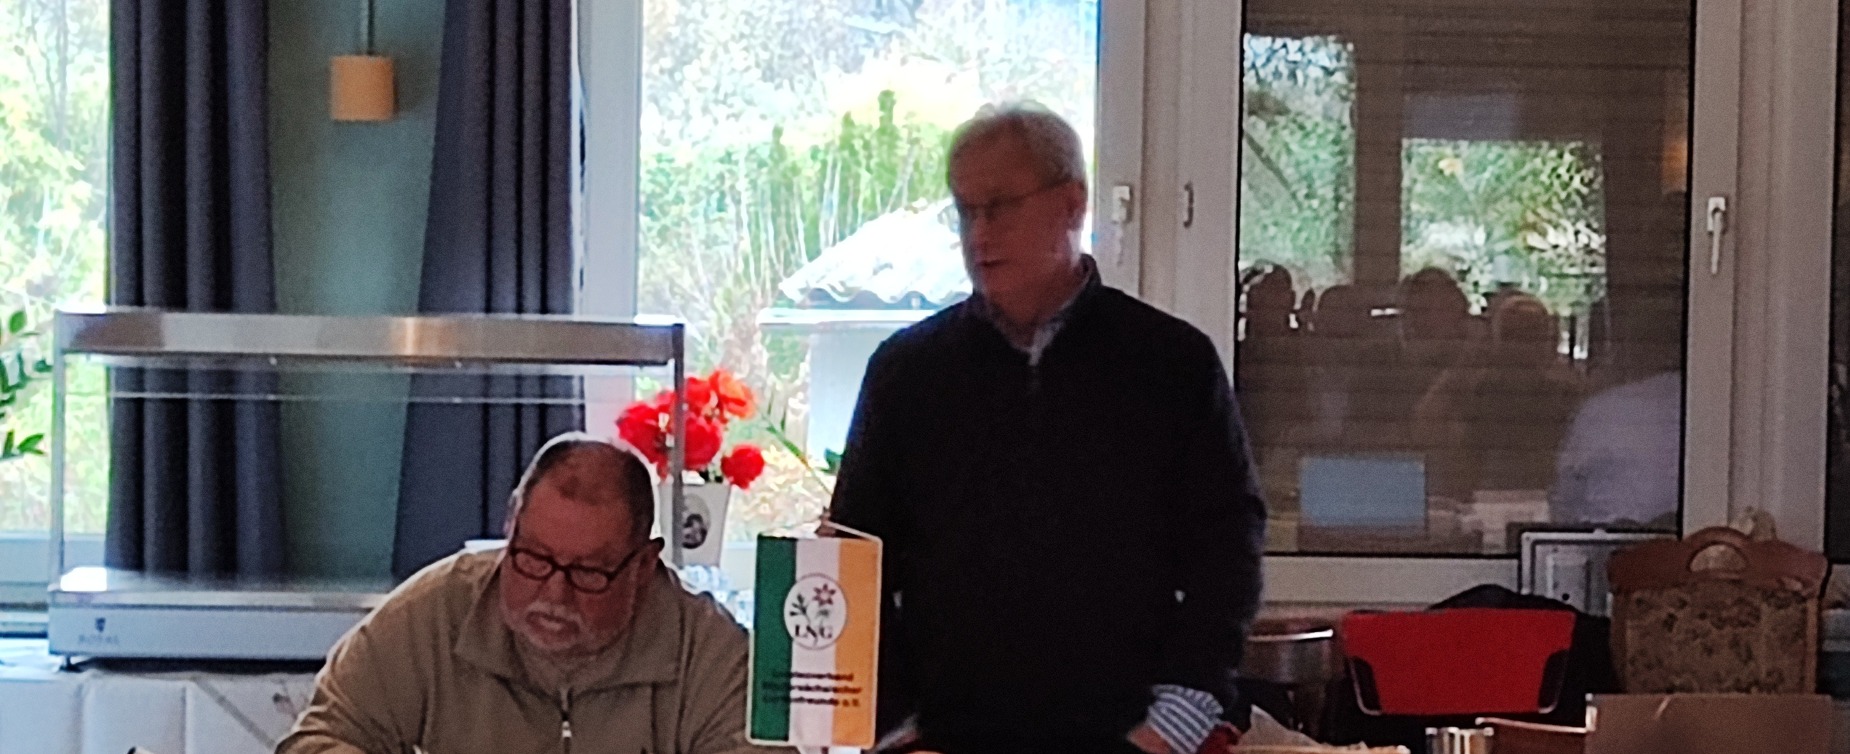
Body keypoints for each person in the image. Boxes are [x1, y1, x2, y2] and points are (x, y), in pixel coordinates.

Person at [827, 102, 1267, 754]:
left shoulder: (1170, 364)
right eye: (965, 211)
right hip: (945, 739)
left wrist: (1170, 725)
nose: (979, 235)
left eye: (1001, 207)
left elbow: (1226, 556)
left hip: (1132, 736)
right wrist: (896, 726)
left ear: (1072, 204)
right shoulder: (907, 373)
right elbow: (853, 556)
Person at [278, 433, 785, 754]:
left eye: (589, 572)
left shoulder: (708, 651)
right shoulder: (435, 612)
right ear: (510, 527)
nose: (555, 595)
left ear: (643, 565)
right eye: (534, 558)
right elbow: (320, 738)